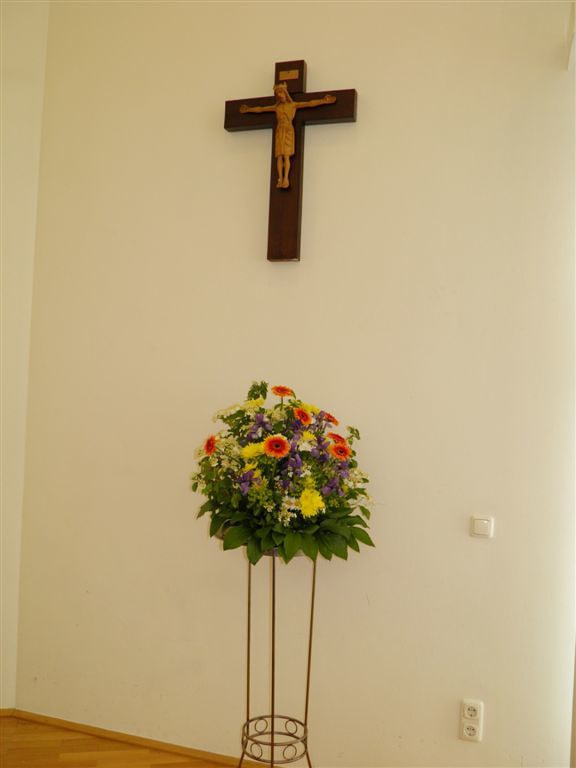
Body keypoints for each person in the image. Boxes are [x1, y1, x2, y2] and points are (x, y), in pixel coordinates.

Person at [240, 83, 336, 189]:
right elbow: (261, 109)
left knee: (286, 155)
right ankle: (280, 179)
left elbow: (309, 103)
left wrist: (323, 101)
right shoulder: (276, 107)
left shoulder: (293, 105)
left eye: (281, 92)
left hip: (288, 130)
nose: (279, 95)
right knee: (279, 156)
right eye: (277, 94)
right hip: (279, 131)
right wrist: (248, 109)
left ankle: (286, 178)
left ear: (285, 93)